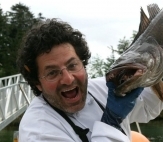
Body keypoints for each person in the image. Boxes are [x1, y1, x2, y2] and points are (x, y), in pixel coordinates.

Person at [17, 18, 163, 142]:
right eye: (52, 73)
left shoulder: (100, 88)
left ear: (83, 63)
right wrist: (111, 122)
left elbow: (147, 106)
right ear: (38, 83)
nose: (68, 79)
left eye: (72, 65)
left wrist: (154, 70)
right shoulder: (36, 130)